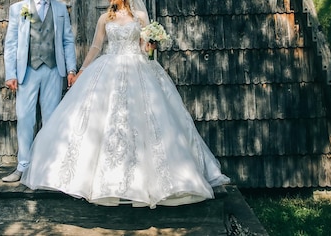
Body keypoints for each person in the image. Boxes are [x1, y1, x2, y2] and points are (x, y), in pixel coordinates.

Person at [20, 0, 230, 208]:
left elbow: (144, 46)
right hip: (108, 67)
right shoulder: (105, 18)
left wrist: (151, 45)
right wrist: (82, 69)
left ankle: (145, 181)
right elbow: (96, 46)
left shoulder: (139, 17)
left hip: (136, 69)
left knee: (141, 121)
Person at [1, 0, 77, 182]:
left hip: (53, 69)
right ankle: (23, 166)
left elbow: (67, 40)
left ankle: (48, 167)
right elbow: (11, 43)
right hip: (27, 71)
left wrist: (71, 69)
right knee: (25, 118)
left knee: (51, 118)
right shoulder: (18, 9)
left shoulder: (60, 8)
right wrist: (10, 74)